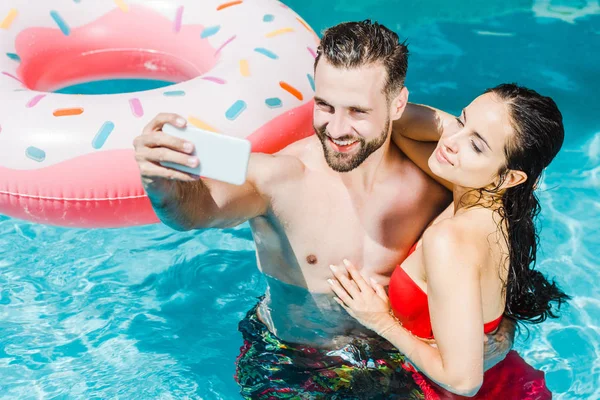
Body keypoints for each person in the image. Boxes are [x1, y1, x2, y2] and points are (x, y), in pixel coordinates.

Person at [133, 20, 515, 399]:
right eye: (325, 105)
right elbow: (194, 211)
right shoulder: (279, 176)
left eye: (357, 111)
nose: (336, 128)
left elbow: (491, 247)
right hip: (292, 362)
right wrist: (161, 187)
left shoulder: (435, 182)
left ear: (398, 104)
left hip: (397, 364)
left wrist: (502, 325)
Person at [328, 84, 570, 398]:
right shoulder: (498, 204)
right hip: (508, 383)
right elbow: (394, 123)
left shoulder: (451, 240)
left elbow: (464, 382)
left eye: (477, 146)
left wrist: (379, 320)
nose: (450, 142)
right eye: (460, 119)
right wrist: (470, 131)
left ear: (510, 178)